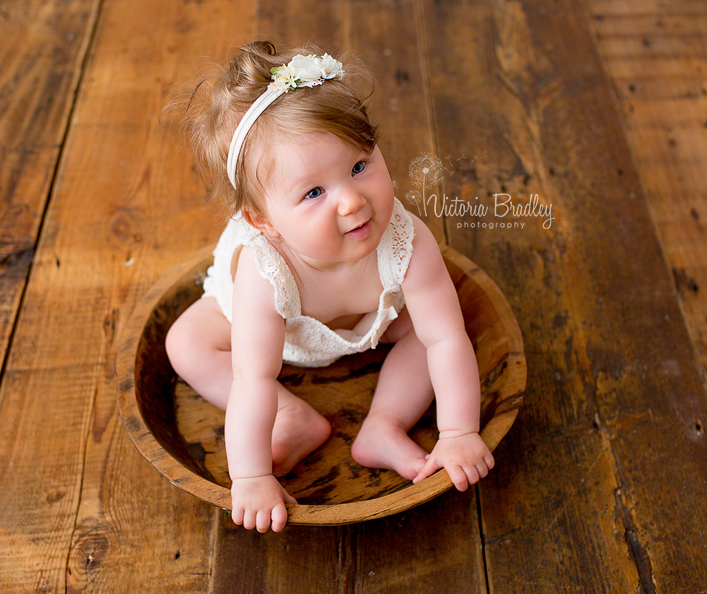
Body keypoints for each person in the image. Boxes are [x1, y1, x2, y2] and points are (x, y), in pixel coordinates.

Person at [166, 41, 494, 533]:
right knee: (185, 343)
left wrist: (459, 431)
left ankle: (384, 425)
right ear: (263, 220)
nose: (352, 202)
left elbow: (445, 339)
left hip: (370, 325)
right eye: (314, 193)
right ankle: (292, 417)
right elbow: (252, 379)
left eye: (360, 166)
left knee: (438, 333)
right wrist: (251, 476)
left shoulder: (406, 241)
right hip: (278, 336)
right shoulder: (265, 269)